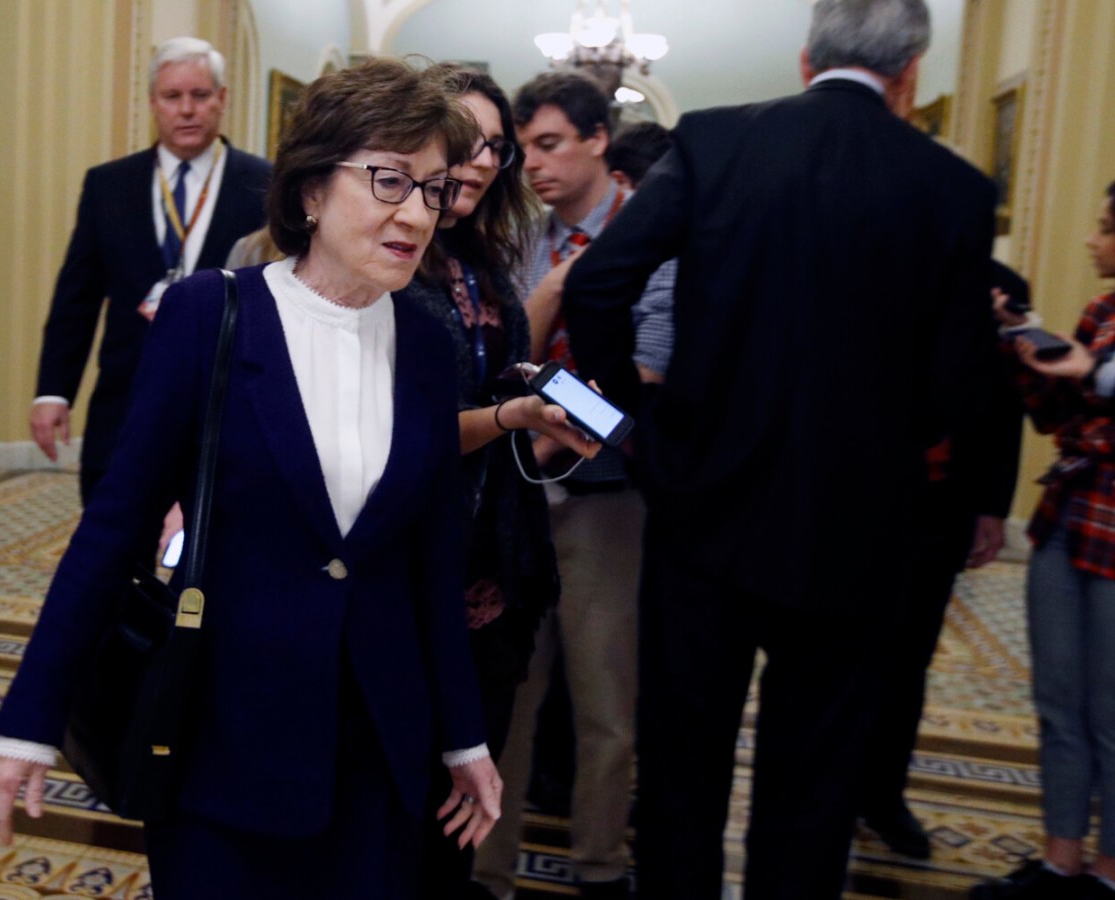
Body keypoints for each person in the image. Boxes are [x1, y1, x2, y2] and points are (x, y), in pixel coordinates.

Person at [0, 57, 502, 899]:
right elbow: (114, 526)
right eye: (389, 180)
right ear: (311, 190)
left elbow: (432, 567)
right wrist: (29, 719)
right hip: (222, 742)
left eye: (436, 189)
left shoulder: (425, 347)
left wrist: (463, 738)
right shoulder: (212, 313)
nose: (416, 213)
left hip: (377, 751)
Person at [561, 0, 997, 896]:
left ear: (806, 59)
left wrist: (632, 420)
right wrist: (931, 464)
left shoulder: (718, 142)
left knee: (683, 759)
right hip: (859, 522)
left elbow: (600, 281)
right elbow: (965, 378)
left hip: (702, 501)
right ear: (910, 74)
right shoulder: (952, 186)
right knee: (816, 775)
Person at [393, 65, 598, 900]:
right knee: (395, 810)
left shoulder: (480, 259)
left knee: (458, 809)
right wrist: (511, 415)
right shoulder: (389, 256)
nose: (481, 160)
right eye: (464, 140)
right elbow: (401, 435)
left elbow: (484, 382)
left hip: (491, 569)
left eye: (496, 147)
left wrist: (532, 397)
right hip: (403, 572)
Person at [472, 70, 674, 900]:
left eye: (551, 145)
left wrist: (564, 417)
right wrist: (552, 295)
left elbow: (650, 374)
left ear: (598, 139)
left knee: (604, 701)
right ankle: (488, 869)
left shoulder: (651, 231)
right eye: (523, 150)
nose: (535, 166)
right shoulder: (523, 237)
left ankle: (599, 863)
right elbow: (501, 357)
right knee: (510, 694)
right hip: (520, 490)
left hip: (607, 502)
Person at [30, 36, 271, 505]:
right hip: (124, 405)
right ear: (153, 103)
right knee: (112, 538)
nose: (187, 109)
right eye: (172, 96)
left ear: (222, 99)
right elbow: (76, 298)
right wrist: (53, 392)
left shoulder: (265, 183)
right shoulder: (108, 185)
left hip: (225, 406)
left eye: (200, 95)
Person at [970, 182, 1115, 900]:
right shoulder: (1101, 313)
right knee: (1058, 699)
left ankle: (1108, 873)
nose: (1093, 240)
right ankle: (1061, 862)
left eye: (1105, 228)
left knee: (1111, 712)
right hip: (1068, 517)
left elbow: (1096, 385)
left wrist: (1096, 372)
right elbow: (1058, 415)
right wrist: (1020, 339)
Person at [859, 260, 1025, 859]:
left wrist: (992, 507)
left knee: (908, 662)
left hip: (940, 508)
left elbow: (1003, 409)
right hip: (856, 505)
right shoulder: (869, 265)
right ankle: (826, 787)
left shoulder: (998, 285)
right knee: (839, 656)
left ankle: (883, 796)